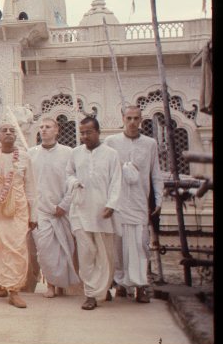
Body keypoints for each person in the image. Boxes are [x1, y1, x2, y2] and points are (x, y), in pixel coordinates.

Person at [0, 118, 38, 308]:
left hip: (17, 209)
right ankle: (3, 282)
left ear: (16, 135)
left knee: (16, 247)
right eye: (5, 130)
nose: (9, 132)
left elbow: (31, 188)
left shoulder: (25, 157)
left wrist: (33, 215)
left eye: (12, 130)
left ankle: (14, 290)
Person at [104, 105, 164, 303]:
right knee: (120, 246)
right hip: (118, 202)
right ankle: (121, 284)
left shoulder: (150, 144)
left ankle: (140, 286)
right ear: (122, 118)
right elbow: (106, 173)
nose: (132, 122)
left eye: (136, 118)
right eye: (128, 118)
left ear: (141, 120)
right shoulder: (111, 142)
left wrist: (159, 198)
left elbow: (155, 173)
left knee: (140, 245)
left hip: (139, 203)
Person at [64, 116, 122, 311]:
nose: (85, 136)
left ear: (98, 132)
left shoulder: (111, 154)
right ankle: (90, 294)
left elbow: (116, 181)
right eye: (82, 132)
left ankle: (103, 288)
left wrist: (112, 204)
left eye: (88, 132)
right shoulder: (75, 153)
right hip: (80, 210)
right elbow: (68, 174)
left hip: (102, 211)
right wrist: (74, 182)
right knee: (86, 254)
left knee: (105, 255)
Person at [28, 117, 80, 298]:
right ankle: (50, 285)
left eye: (48, 127)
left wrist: (64, 205)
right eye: (41, 127)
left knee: (65, 250)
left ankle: (61, 286)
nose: (44, 130)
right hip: (41, 211)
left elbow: (74, 183)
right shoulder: (31, 154)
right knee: (45, 251)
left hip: (62, 210)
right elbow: (29, 184)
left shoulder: (68, 153)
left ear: (57, 130)